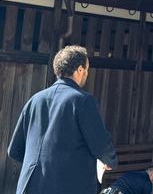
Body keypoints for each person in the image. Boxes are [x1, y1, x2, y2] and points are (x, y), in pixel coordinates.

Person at [7, 45, 118, 194]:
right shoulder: (83, 101)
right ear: (79, 70)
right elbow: (100, 145)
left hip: (28, 186)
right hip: (67, 186)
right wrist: (110, 161)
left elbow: (14, 150)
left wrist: (42, 166)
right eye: (87, 69)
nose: (86, 73)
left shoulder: (35, 100)